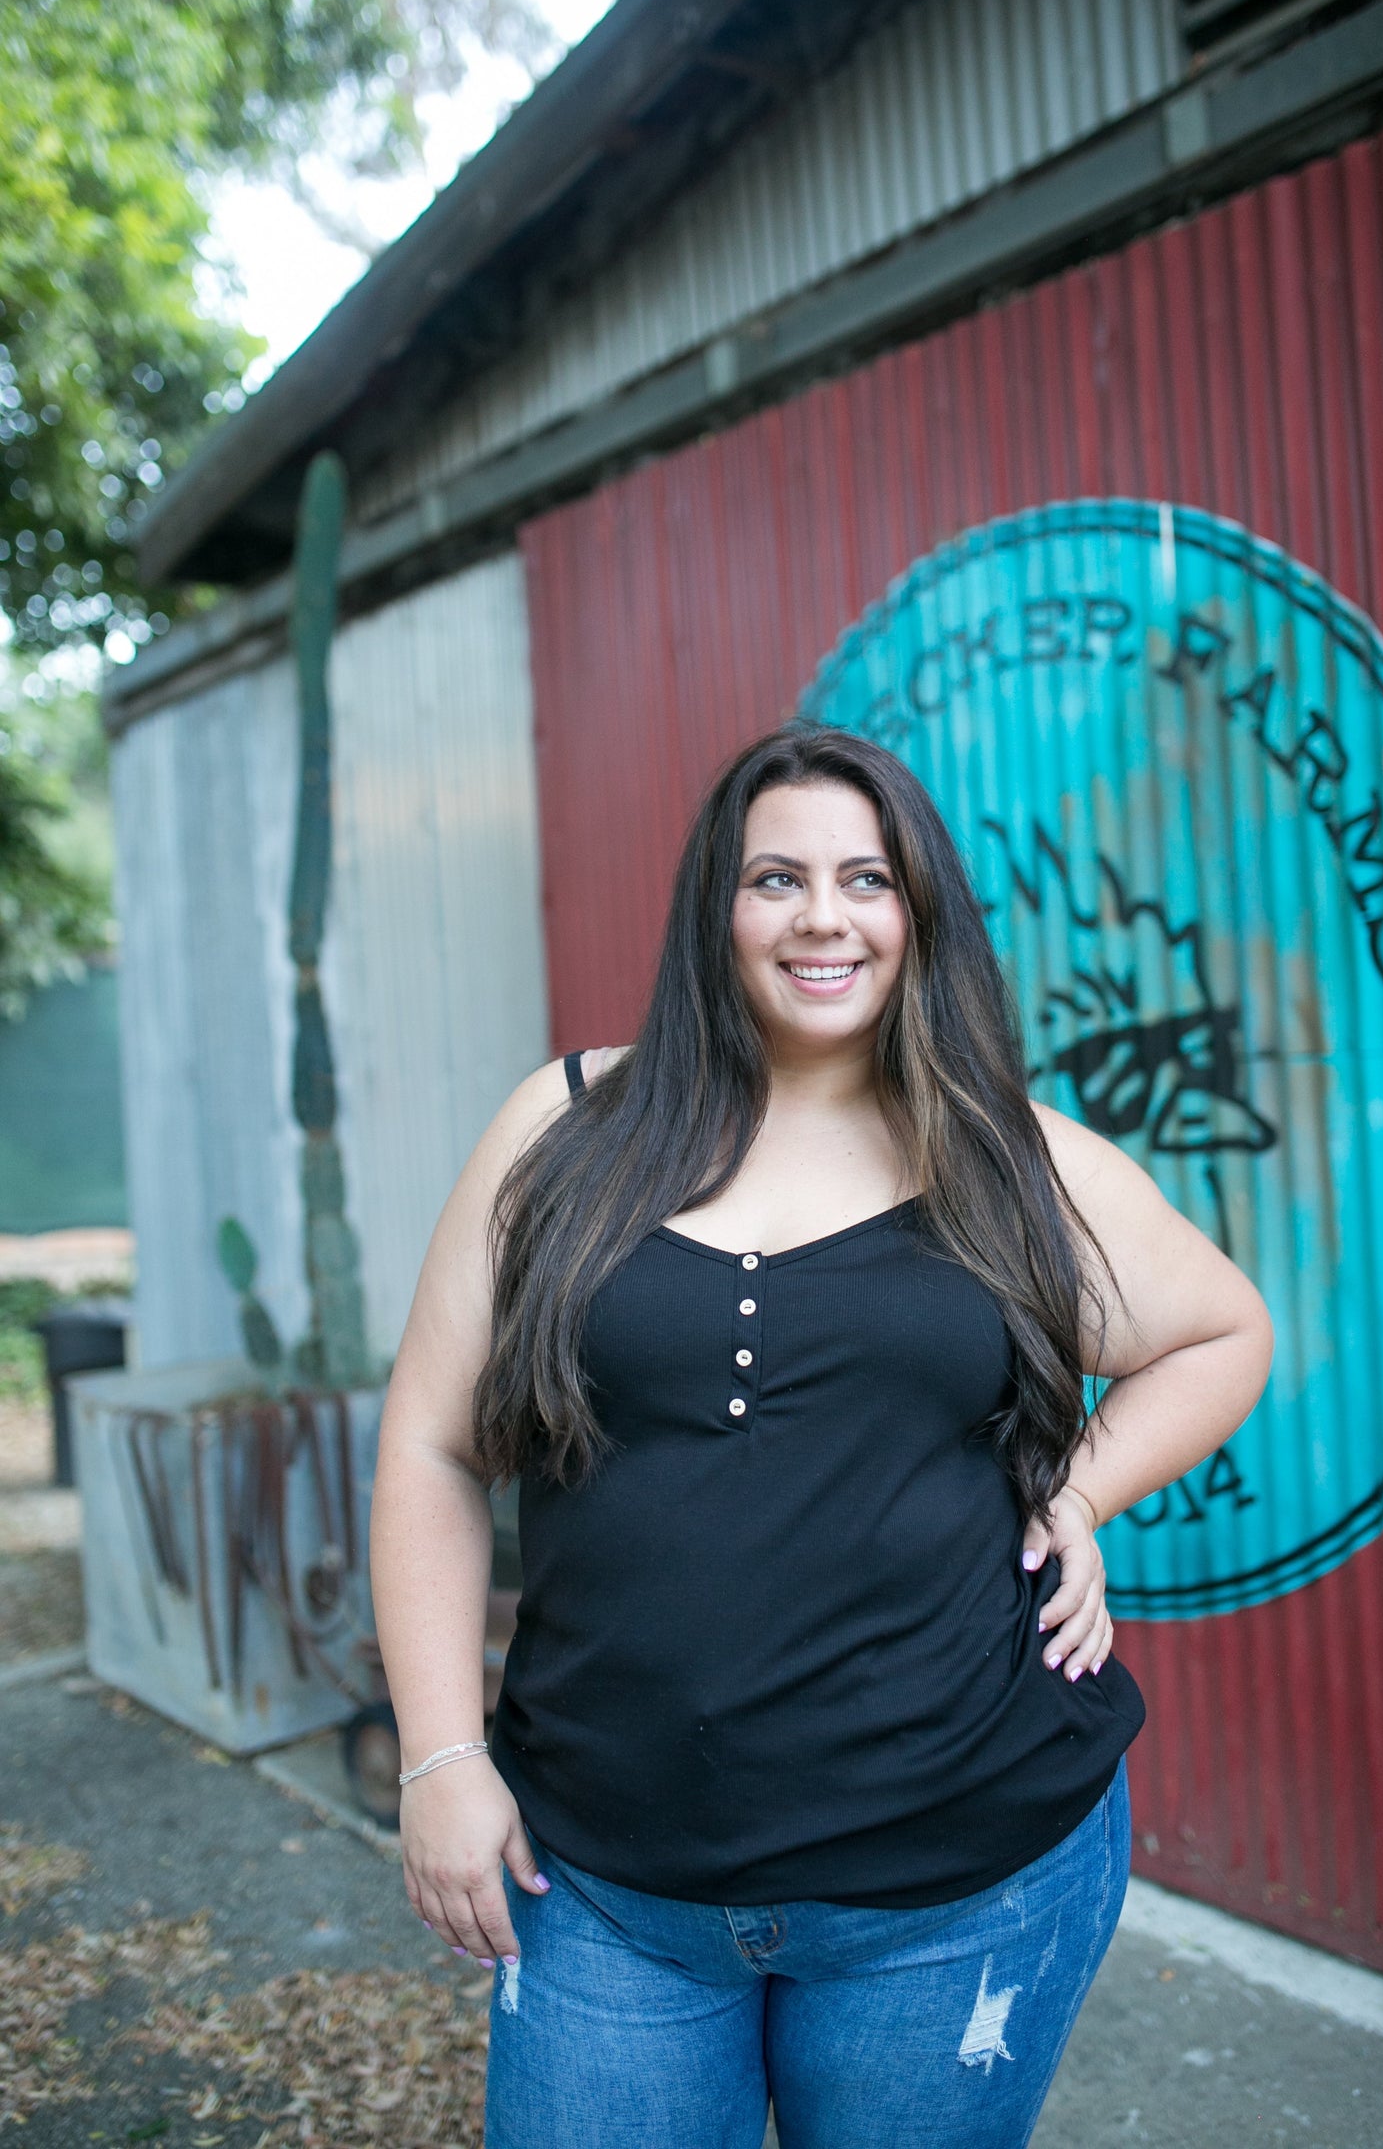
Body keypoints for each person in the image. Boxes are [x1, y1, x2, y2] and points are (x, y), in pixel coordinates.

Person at [370, 722, 1274, 2149]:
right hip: (604, 1883)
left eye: (864, 878)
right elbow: (429, 1444)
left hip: (961, 1881)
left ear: (914, 912)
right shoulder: (562, 1130)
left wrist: (1080, 1495)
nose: (820, 917)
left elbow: (1223, 1332)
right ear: (715, 910)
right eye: (773, 878)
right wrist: (440, 1755)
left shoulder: (1010, 1161)